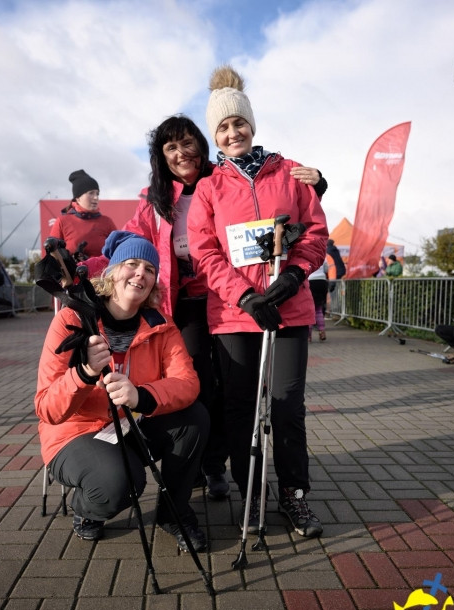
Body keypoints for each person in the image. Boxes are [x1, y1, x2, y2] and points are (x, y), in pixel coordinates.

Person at [81, 114, 326, 501]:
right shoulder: (157, 200)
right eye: (170, 148)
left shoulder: (225, 179)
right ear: (161, 157)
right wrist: (84, 270)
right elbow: (127, 242)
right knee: (199, 391)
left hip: (231, 298)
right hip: (186, 305)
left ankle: (218, 465)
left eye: (187, 143)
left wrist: (315, 189)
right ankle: (203, 465)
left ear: (202, 143)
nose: (181, 154)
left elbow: (275, 213)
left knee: (242, 396)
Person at [187, 65, 328, 538]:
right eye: (223, 127)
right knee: (241, 408)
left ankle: (294, 494)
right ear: (215, 135)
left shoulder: (290, 172)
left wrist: (291, 276)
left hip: (288, 308)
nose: (233, 132)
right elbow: (205, 253)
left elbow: (315, 233)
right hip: (235, 316)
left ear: (251, 124)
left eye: (238, 123)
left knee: (287, 406)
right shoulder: (209, 187)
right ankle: (252, 496)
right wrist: (245, 295)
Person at [35, 231, 209, 551]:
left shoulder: (161, 325)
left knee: (194, 417)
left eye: (150, 268)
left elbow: (187, 383)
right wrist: (84, 374)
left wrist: (141, 395)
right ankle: (88, 510)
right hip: (75, 432)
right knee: (122, 483)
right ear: (113, 271)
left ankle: (174, 514)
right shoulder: (72, 320)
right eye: (132, 263)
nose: (140, 272)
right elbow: (47, 408)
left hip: (130, 422)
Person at [48, 170, 117, 261]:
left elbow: (119, 252)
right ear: (78, 198)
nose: (96, 197)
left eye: (97, 193)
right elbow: (52, 257)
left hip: (103, 274)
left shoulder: (107, 222)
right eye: (91, 193)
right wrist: (71, 260)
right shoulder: (62, 222)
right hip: (73, 274)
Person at [307, 262, 329, 342]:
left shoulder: (306, 254)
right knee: (318, 309)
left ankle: (308, 336)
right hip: (321, 282)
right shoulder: (321, 254)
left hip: (310, 281)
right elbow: (326, 268)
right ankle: (322, 332)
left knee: (309, 311)